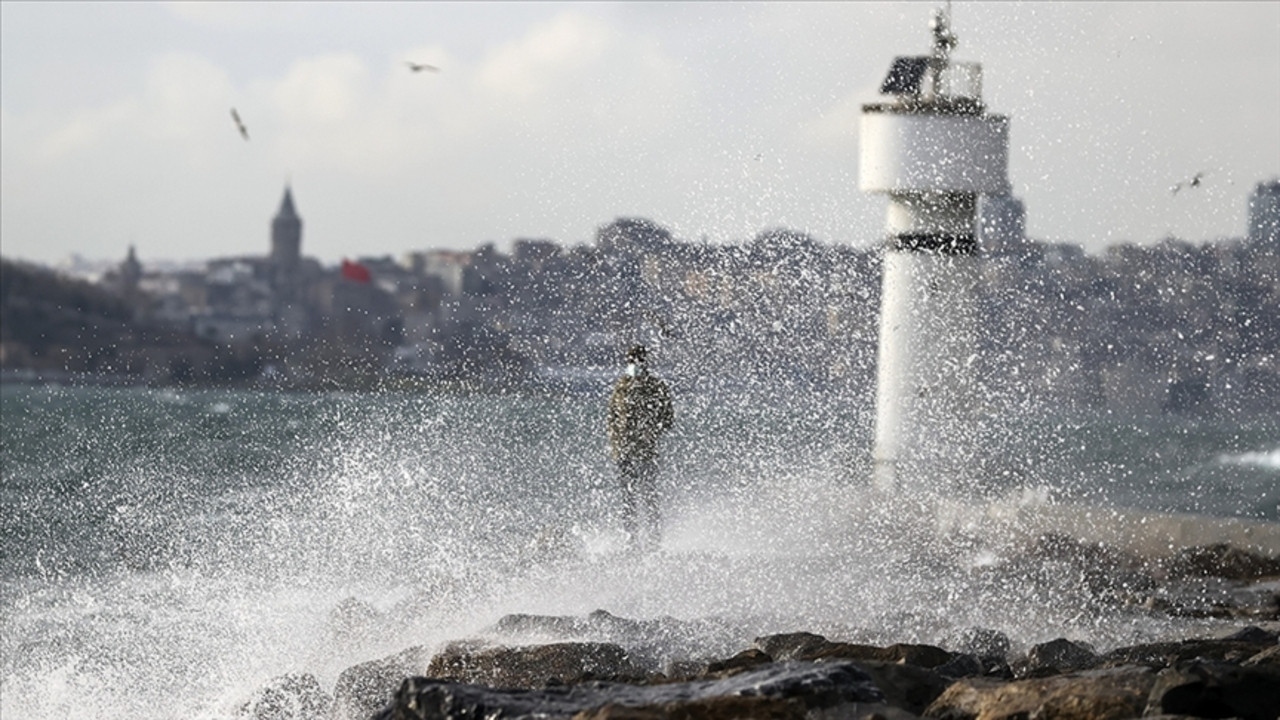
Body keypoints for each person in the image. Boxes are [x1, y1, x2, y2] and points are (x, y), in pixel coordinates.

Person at [607, 344, 674, 550]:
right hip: (624, 450)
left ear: (644, 362)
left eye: (637, 360)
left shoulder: (657, 386)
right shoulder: (621, 386)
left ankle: (654, 540)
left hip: (646, 449)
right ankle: (631, 540)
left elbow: (668, 418)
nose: (634, 364)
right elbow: (612, 418)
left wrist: (652, 430)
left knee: (649, 495)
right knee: (627, 497)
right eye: (631, 361)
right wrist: (615, 442)